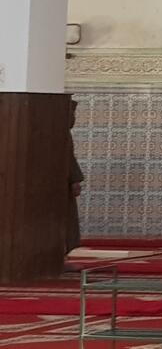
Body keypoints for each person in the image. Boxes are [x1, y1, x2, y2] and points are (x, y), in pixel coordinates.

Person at [64, 99, 83, 252]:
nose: (74, 118)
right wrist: (75, 179)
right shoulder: (60, 134)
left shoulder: (65, 134)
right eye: (72, 114)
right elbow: (67, 158)